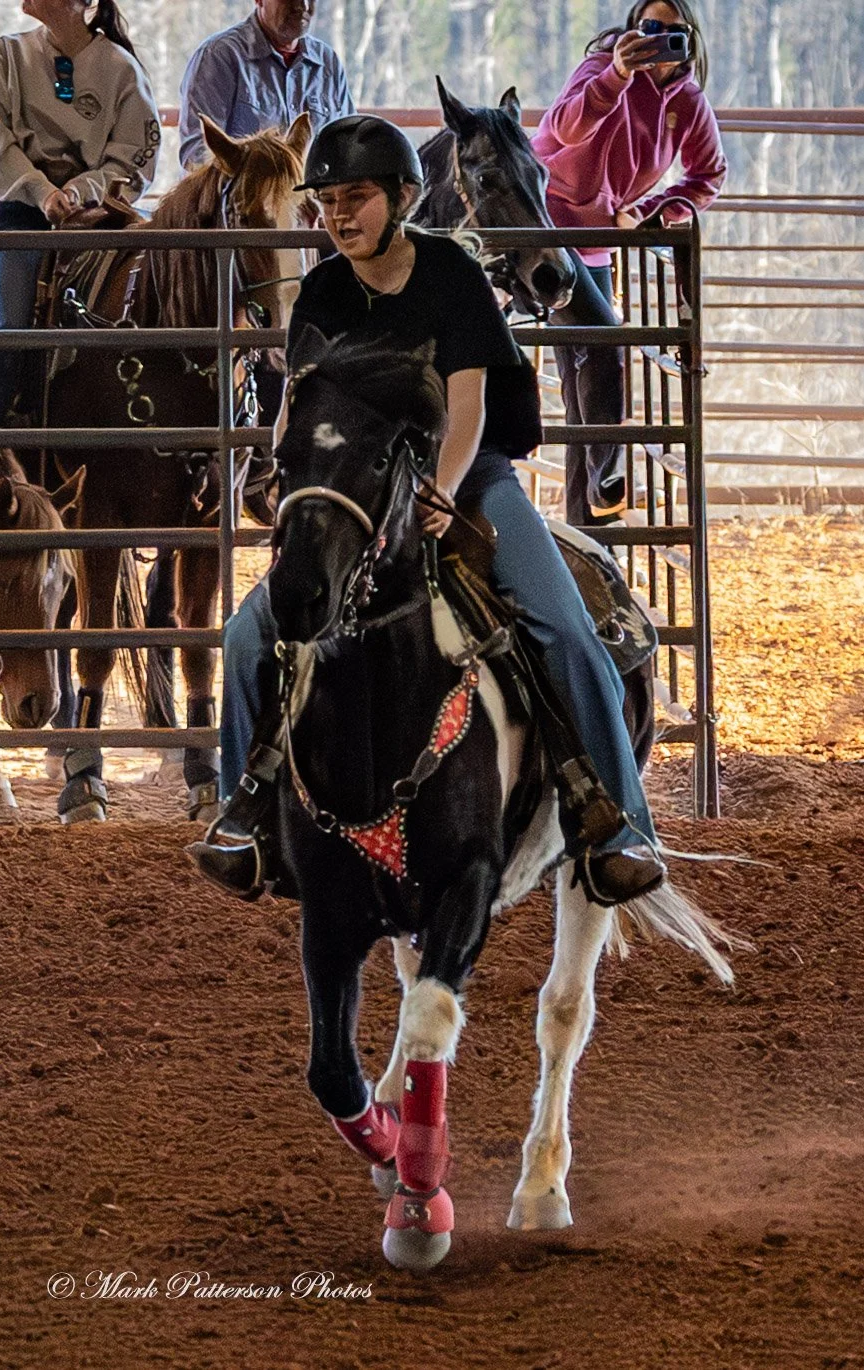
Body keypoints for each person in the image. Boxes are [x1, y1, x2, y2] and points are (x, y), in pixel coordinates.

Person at [197, 114, 666, 908]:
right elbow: (300, 401)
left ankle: (618, 827)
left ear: (404, 197)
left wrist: (440, 491)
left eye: (356, 197)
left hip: (468, 478)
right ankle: (246, 815)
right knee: (250, 633)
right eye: (327, 202)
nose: (339, 215)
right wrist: (287, 473)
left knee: (563, 627)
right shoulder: (323, 290)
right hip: (356, 486)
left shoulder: (449, 274)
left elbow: (467, 404)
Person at [532, 0, 726, 525]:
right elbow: (563, 129)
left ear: (690, 39)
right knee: (603, 341)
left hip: (598, 237)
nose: (659, 39)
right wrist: (617, 74)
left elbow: (708, 174)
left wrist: (651, 211)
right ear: (631, 30)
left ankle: (587, 526)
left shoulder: (687, 102)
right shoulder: (601, 68)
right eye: (649, 28)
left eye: (672, 31)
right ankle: (608, 478)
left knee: (583, 381)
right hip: (543, 225)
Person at [0, 0, 160, 426]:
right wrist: (43, 193)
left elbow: (134, 157)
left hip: (96, 212)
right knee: (10, 332)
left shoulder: (122, 70)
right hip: (20, 208)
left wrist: (79, 192)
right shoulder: (4, 56)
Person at [178, 0, 355, 171]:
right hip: (245, 191)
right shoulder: (218, 57)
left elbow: (349, 145)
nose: (303, 6)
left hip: (314, 191)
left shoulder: (328, 63)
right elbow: (198, 156)